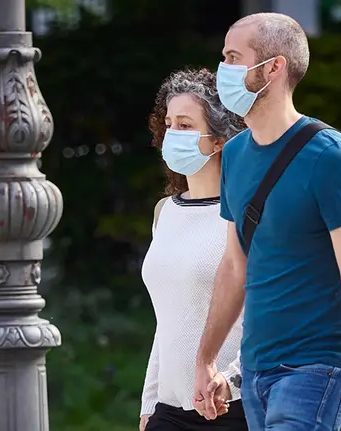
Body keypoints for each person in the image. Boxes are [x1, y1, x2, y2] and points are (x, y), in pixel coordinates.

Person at [191, 12, 341, 431]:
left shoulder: (331, 157)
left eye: (234, 57)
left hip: (319, 364)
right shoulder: (235, 155)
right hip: (257, 368)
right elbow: (235, 268)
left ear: (273, 68)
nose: (223, 70)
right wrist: (207, 360)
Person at [140, 68, 249, 431]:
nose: (172, 134)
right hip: (169, 410)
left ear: (219, 140)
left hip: (233, 407)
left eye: (185, 125)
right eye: (169, 124)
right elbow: (167, 320)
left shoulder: (247, 214)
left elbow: (263, 315)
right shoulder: (165, 212)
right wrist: (149, 402)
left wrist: (232, 380)